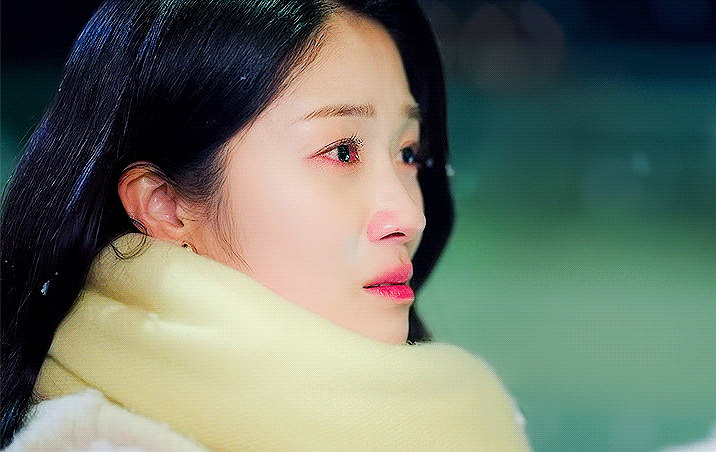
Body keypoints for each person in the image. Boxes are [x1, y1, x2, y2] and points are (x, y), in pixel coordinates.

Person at [0, 0, 531, 450]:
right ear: (165, 205)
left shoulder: (458, 421)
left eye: (407, 152)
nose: (410, 216)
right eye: (342, 151)